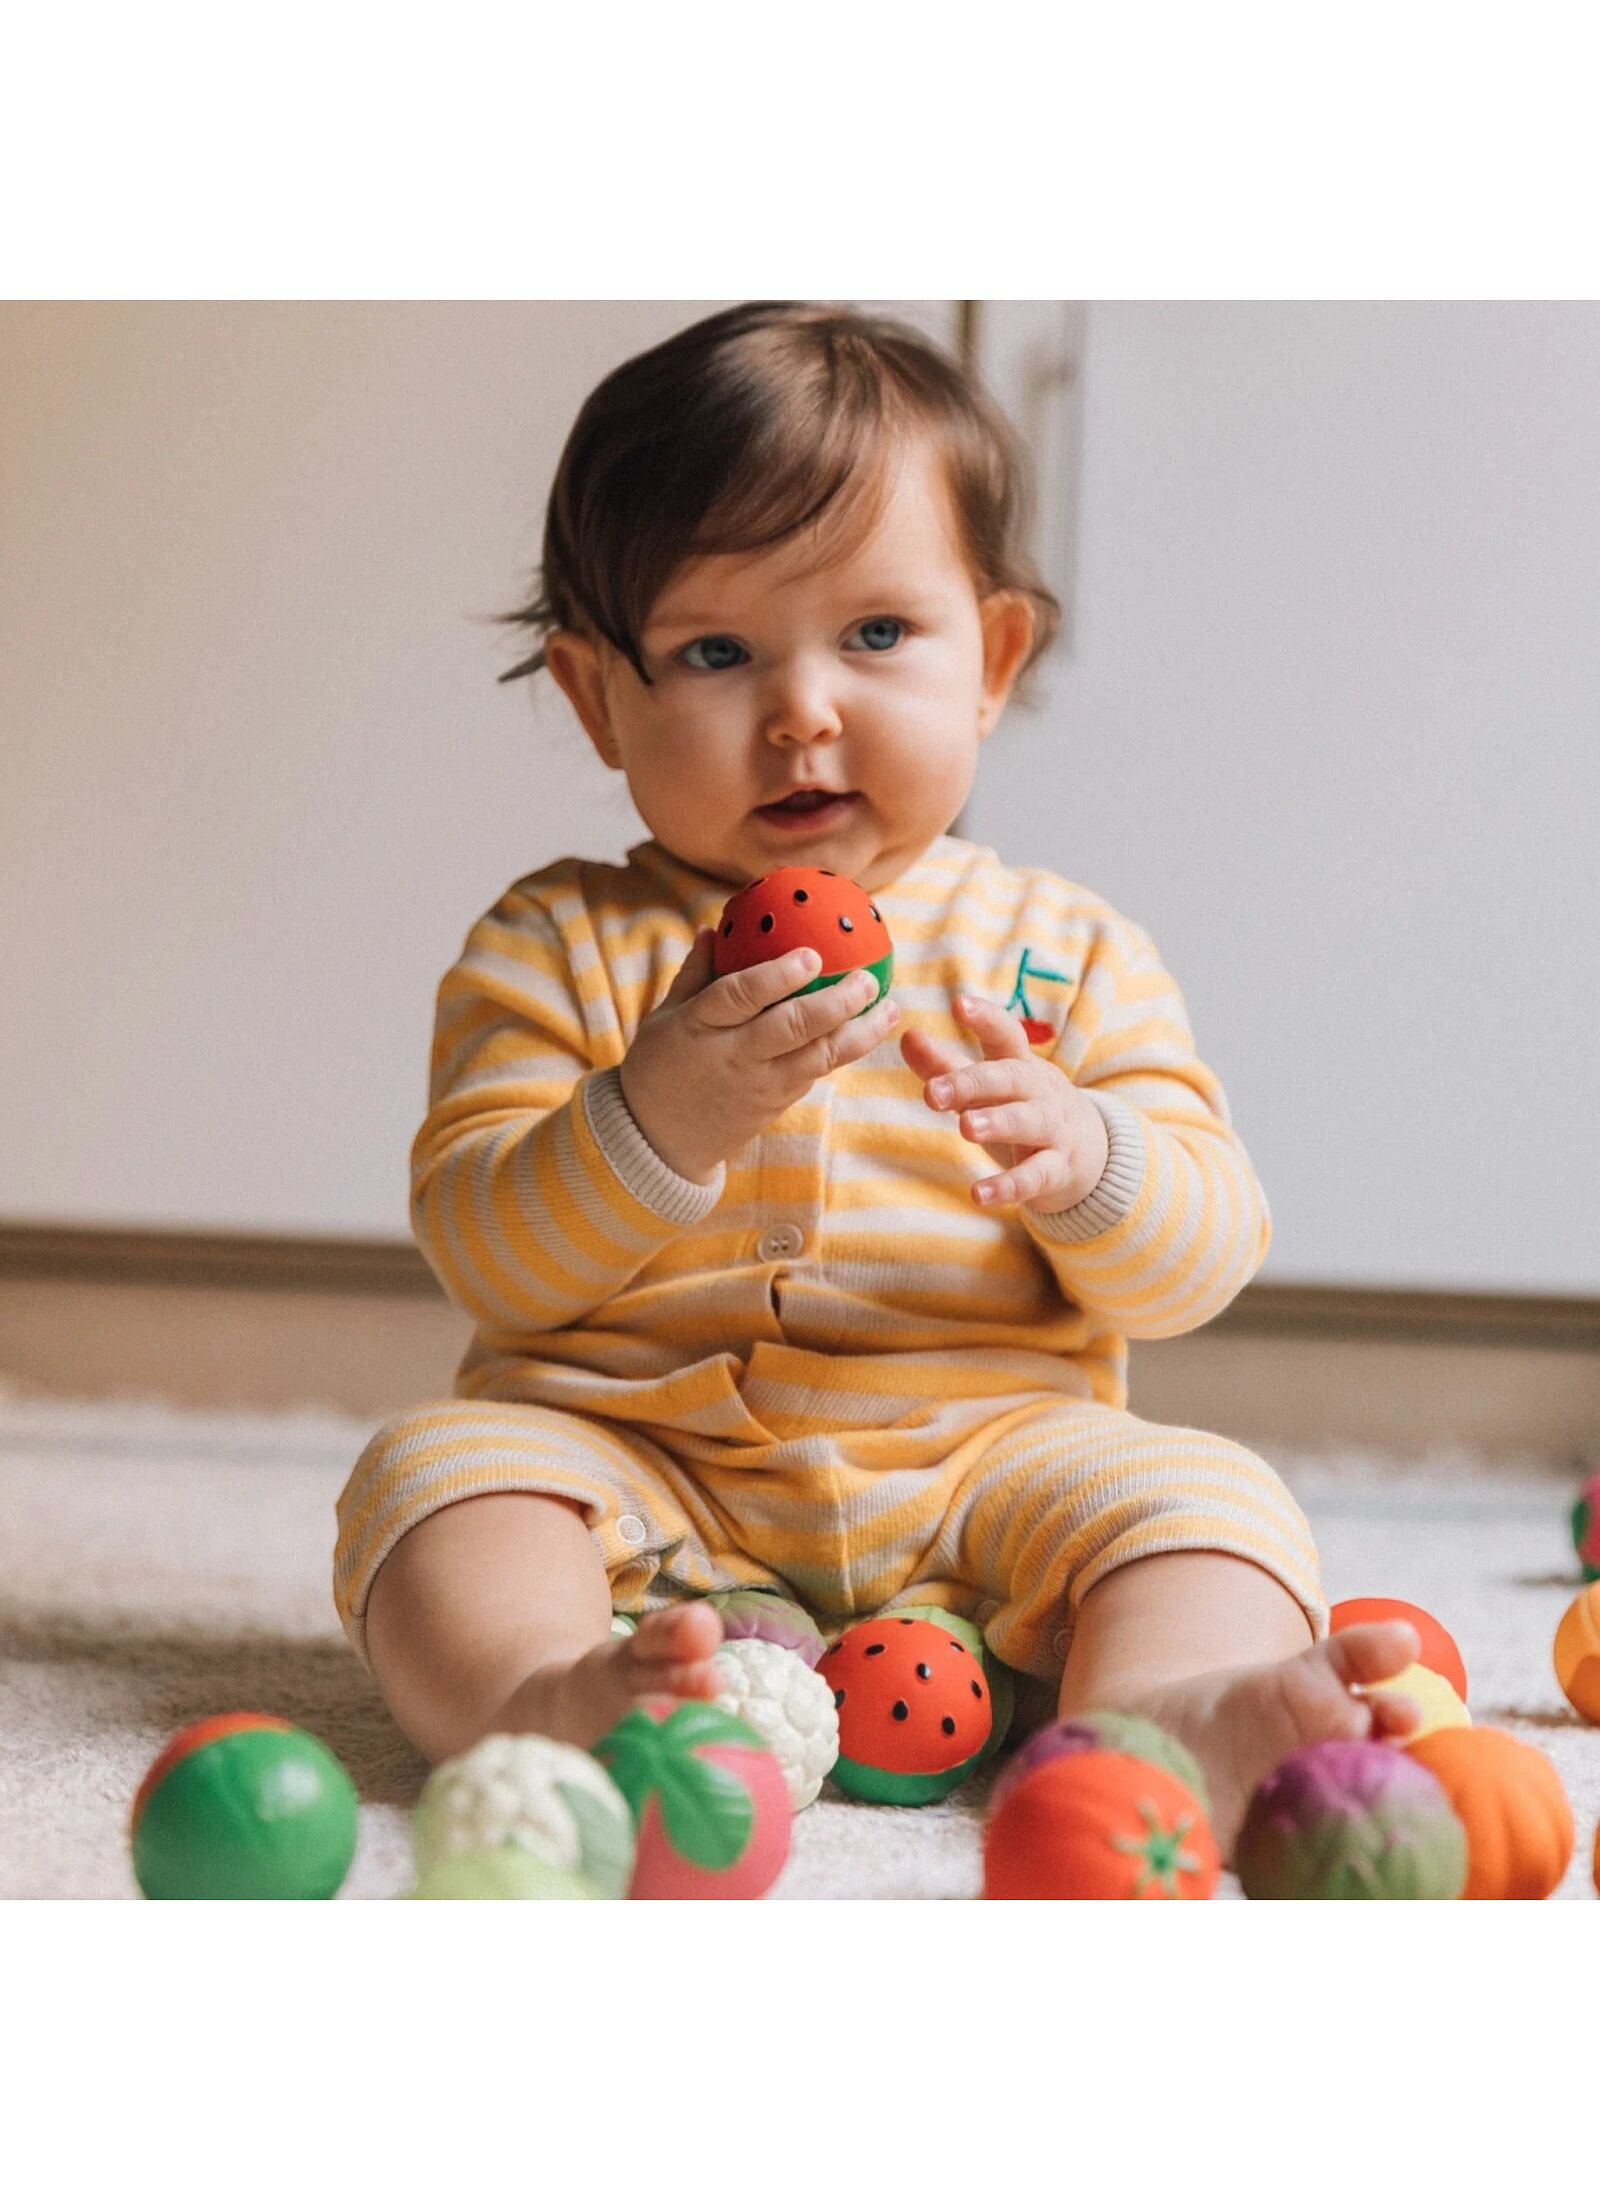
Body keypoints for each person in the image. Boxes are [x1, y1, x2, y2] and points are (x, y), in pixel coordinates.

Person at [333, 301, 1419, 1854]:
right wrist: (657, 1120)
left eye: (878, 635)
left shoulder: (1064, 951)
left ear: (994, 658)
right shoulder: (556, 942)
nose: (803, 712)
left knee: (1203, 1498)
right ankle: (555, 1695)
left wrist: (1094, 1159)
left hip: (993, 1478)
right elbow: (484, 1247)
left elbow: (1203, 1255)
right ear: (595, 699)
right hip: (652, 1479)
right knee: (439, 1477)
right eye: (716, 651)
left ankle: (1165, 1711)